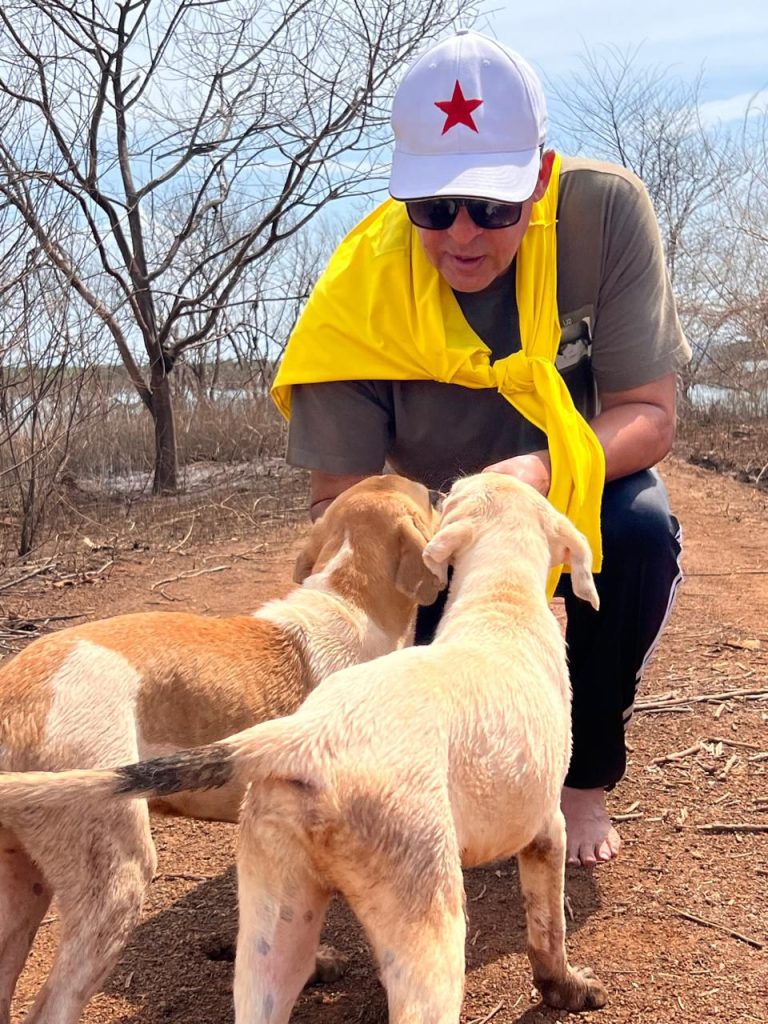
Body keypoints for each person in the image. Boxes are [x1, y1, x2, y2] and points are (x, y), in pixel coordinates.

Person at [271, 29, 690, 867]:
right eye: (433, 208)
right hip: (430, 515)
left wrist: (536, 473)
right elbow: (340, 505)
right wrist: (433, 538)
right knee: (373, 593)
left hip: (558, 484)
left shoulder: (605, 214)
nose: (462, 235)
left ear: (539, 177)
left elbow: (649, 414)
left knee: (640, 532)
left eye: (494, 208)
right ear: (404, 195)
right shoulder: (360, 288)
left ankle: (582, 782)